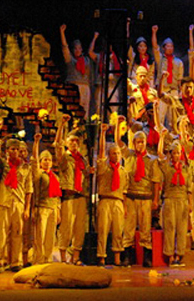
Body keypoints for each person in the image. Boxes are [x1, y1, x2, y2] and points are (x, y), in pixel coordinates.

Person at [117, 114, 161, 268]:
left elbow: (156, 181)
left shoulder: (152, 160)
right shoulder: (129, 155)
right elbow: (118, 142)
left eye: (142, 142)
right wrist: (118, 126)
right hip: (131, 196)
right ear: (134, 143)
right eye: (138, 142)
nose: (140, 145)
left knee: (145, 228)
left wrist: (155, 200)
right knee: (129, 228)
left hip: (146, 197)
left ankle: (147, 257)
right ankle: (127, 257)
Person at [0, 126, 33, 273]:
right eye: (12, 149)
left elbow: (29, 189)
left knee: (17, 233)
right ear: (7, 151)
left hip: (18, 203)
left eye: (17, 149)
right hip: (4, 202)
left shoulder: (25, 168)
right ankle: (0, 260)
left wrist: (27, 208)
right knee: (1, 233)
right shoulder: (2, 164)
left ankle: (15, 262)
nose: (15, 152)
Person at [54, 115, 91, 265]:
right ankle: (63, 257)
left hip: (81, 195)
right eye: (71, 141)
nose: (74, 143)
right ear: (67, 143)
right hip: (68, 195)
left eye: (77, 141)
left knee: (79, 227)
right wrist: (62, 125)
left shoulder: (82, 159)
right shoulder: (65, 157)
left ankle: (76, 256)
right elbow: (57, 145)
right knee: (66, 227)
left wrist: (89, 172)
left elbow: (85, 176)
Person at [96, 123, 129, 267]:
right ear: (110, 155)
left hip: (118, 201)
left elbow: (125, 190)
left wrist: (125, 206)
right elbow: (101, 153)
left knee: (118, 230)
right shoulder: (104, 167)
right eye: (114, 153)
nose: (116, 155)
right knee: (103, 230)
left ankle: (117, 258)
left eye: (118, 153)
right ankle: (101, 257)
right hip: (105, 200)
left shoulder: (123, 171)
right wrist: (103, 134)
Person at [158, 138, 192, 267]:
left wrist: (190, 203)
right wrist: (162, 137)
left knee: (181, 229)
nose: (177, 155)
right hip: (169, 199)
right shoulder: (167, 168)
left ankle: (179, 255)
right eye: (174, 153)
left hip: (182, 200)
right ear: (171, 154)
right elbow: (159, 155)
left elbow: (189, 188)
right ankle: (170, 255)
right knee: (170, 227)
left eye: (178, 153)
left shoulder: (185, 169)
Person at [31, 133, 61, 265]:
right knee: (40, 236)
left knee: (50, 236)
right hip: (41, 207)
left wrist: (58, 211)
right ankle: (38, 260)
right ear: (41, 161)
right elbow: (33, 162)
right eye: (45, 160)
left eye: (49, 160)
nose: (47, 162)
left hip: (52, 207)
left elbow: (57, 196)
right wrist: (36, 143)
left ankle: (48, 259)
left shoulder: (55, 177)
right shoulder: (39, 174)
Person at [152, 25, 184, 127]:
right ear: (164, 48)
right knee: (160, 115)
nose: (170, 48)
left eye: (171, 46)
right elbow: (155, 47)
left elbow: (179, 79)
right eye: (168, 46)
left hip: (173, 91)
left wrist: (180, 91)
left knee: (173, 117)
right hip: (163, 90)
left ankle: (173, 134)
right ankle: (159, 134)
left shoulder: (178, 62)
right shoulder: (160, 59)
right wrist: (154, 32)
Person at [60, 24, 93, 118]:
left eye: (79, 48)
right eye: (75, 48)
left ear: (82, 49)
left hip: (85, 86)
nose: (77, 50)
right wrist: (62, 33)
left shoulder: (86, 60)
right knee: (74, 111)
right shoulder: (70, 60)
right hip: (74, 87)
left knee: (85, 110)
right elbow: (64, 47)